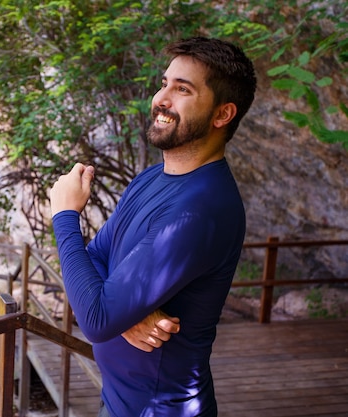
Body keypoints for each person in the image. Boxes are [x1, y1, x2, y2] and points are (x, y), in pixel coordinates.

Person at [50, 37, 257, 417]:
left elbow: (96, 319)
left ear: (222, 114)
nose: (161, 99)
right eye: (165, 83)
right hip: (120, 400)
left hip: (158, 409)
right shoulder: (151, 177)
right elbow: (96, 255)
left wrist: (64, 215)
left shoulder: (201, 209)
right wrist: (126, 312)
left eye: (182, 89)